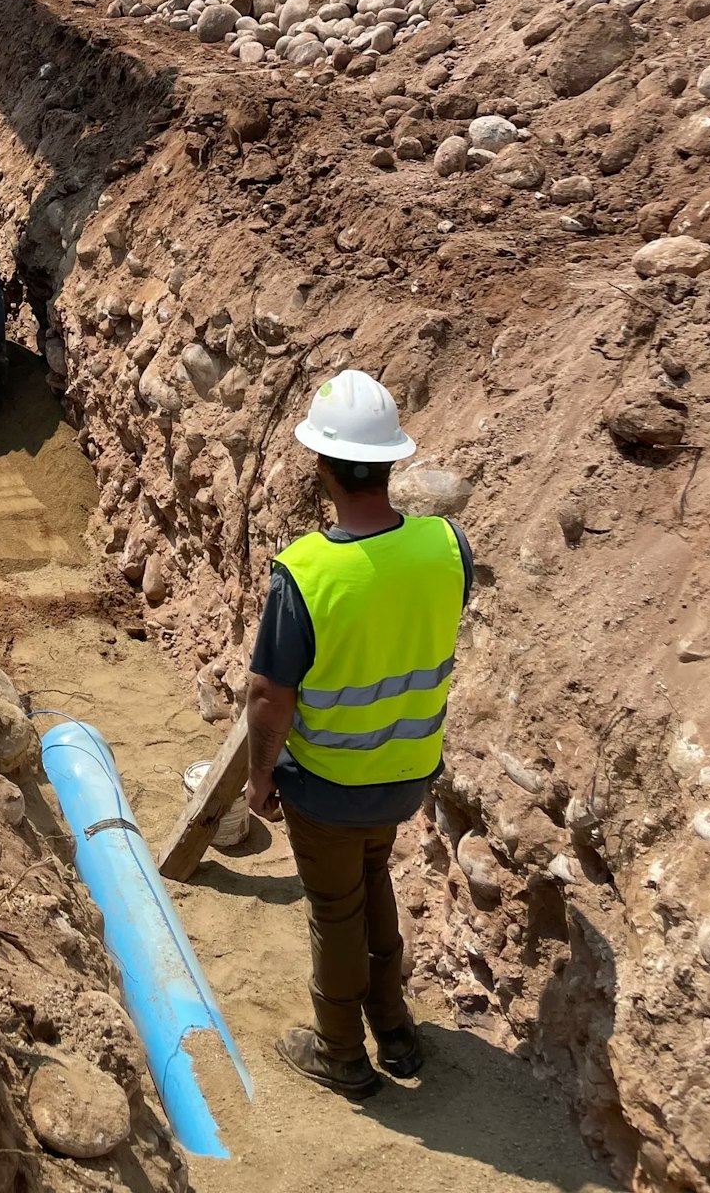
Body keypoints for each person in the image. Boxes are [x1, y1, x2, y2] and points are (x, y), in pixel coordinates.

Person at [244, 368, 473, 1097]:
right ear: (392, 462)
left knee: (334, 911)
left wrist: (258, 777)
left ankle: (341, 1050)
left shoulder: (306, 574)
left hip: (331, 785)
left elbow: (269, 701)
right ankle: (395, 1025)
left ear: (320, 463)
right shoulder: (446, 546)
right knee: (371, 878)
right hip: (408, 774)